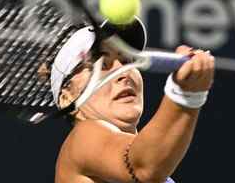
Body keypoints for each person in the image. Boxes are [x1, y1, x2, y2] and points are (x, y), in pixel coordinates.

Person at [51, 34, 215, 183]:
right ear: (67, 99)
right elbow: (144, 167)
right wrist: (184, 95)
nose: (123, 73)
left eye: (127, 61)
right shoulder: (81, 140)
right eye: (102, 66)